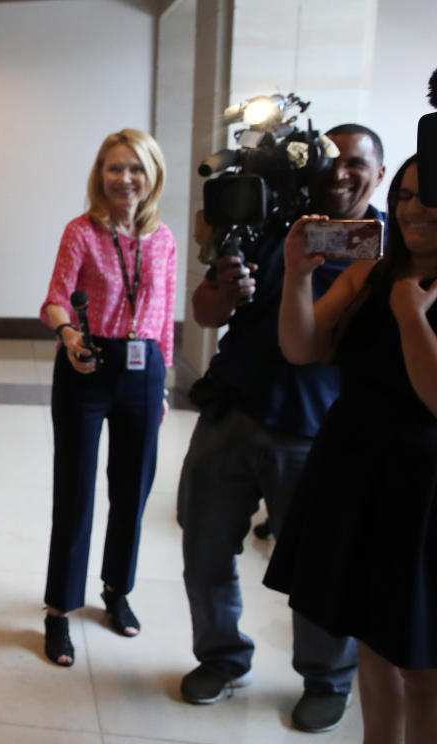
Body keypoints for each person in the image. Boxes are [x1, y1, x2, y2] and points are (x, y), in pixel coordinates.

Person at [176, 124, 386, 732]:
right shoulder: (277, 223)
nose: (341, 173)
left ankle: (326, 676)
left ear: (379, 171)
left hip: (319, 429)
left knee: (319, 565)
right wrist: (222, 287)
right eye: (331, 162)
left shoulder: (383, 247)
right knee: (205, 547)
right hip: (233, 413)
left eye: (357, 164)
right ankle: (221, 656)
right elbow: (207, 312)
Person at [266, 155, 437, 744]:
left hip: (423, 488)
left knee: (422, 661)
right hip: (357, 469)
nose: (416, 208)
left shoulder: (412, 293)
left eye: (430, 194)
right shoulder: (370, 272)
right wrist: (295, 276)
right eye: (408, 194)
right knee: (370, 642)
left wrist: (413, 318)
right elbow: (301, 347)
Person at [39, 129, 177, 666]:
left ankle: (117, 592)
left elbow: (164, 318)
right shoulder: (82, 232)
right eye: (114, 169)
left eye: (135, 168)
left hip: (145, 369)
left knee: (132, 491)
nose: (125, 179)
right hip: (88, 364)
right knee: (74, 492)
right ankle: (60, 608)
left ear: (152, 175)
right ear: (101, 175)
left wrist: (162, 384)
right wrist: (69, 335)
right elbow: (55, 300)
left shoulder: (161, 238)